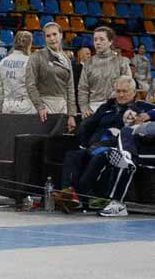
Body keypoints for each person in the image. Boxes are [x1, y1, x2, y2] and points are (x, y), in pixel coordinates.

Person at [60, 76, 148, 209]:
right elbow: (89, 125)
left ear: (134, 92)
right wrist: (84, 143)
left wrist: (146, 117)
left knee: (99, 157)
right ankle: (68, 194)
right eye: (118, 91)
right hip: (94, 144)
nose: (121, 95)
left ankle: (81, 196)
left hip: (116, 147)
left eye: (125, 91)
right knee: (72, 155)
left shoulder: (139, 108)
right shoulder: (106, 107)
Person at [78, 25, 132, 117]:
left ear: (110, 41)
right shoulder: (88, 64)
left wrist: (121, 106)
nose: (97, 43)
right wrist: (84, 108)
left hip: (116, 107)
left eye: (101, 39)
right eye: (95, 40)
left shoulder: (121, 62)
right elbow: (83, 89)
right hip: (93, 109)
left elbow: (129, 86)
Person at [0, 31, 36, 114]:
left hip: (7, 107)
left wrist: (0, 108)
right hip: (27, 109)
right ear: (29, 44)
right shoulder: (31, 63)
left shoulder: (3, 62)